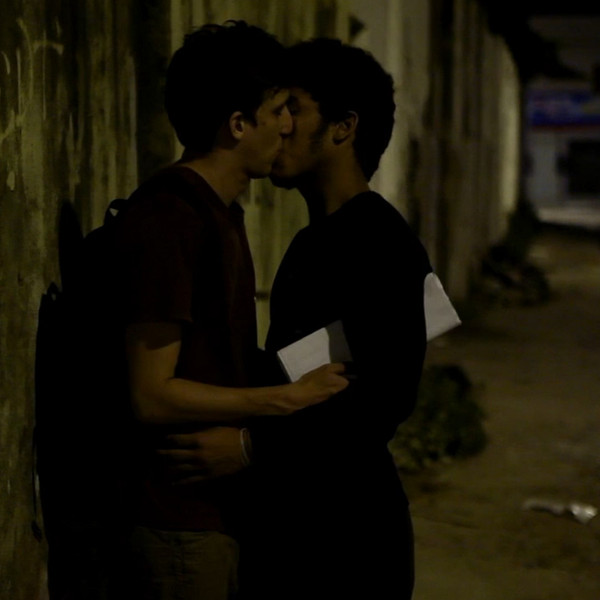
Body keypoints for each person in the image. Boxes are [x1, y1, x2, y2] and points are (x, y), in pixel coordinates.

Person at [163, 37, 433, 599]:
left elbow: (384, 399)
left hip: (347, 543)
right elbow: (300, 375)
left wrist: (249, 447)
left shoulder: (382, 244)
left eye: (295, 110)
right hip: (299, 528)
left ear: (343, 127)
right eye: (277, 109)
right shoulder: (314, 242)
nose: (280, 126)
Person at [111, 22, 348, 600]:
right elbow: (151, 393)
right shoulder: (172, 219)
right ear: (238, 124)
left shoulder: (220, 212)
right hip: (177, 522)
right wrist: (280, 400)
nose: (289, 126)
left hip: (214, 515)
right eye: (278, 110)